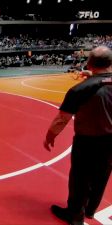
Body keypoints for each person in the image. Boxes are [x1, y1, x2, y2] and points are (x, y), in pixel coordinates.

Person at [43, 46, 112, 225]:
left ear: (89, 63)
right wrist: (93, 78)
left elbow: (62, 119)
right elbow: (103, 83)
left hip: (88, 141)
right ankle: (90, 209)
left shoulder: (80, 90)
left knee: (80, 179)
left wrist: (50, 136)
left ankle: (75, 215)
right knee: (102, 175)